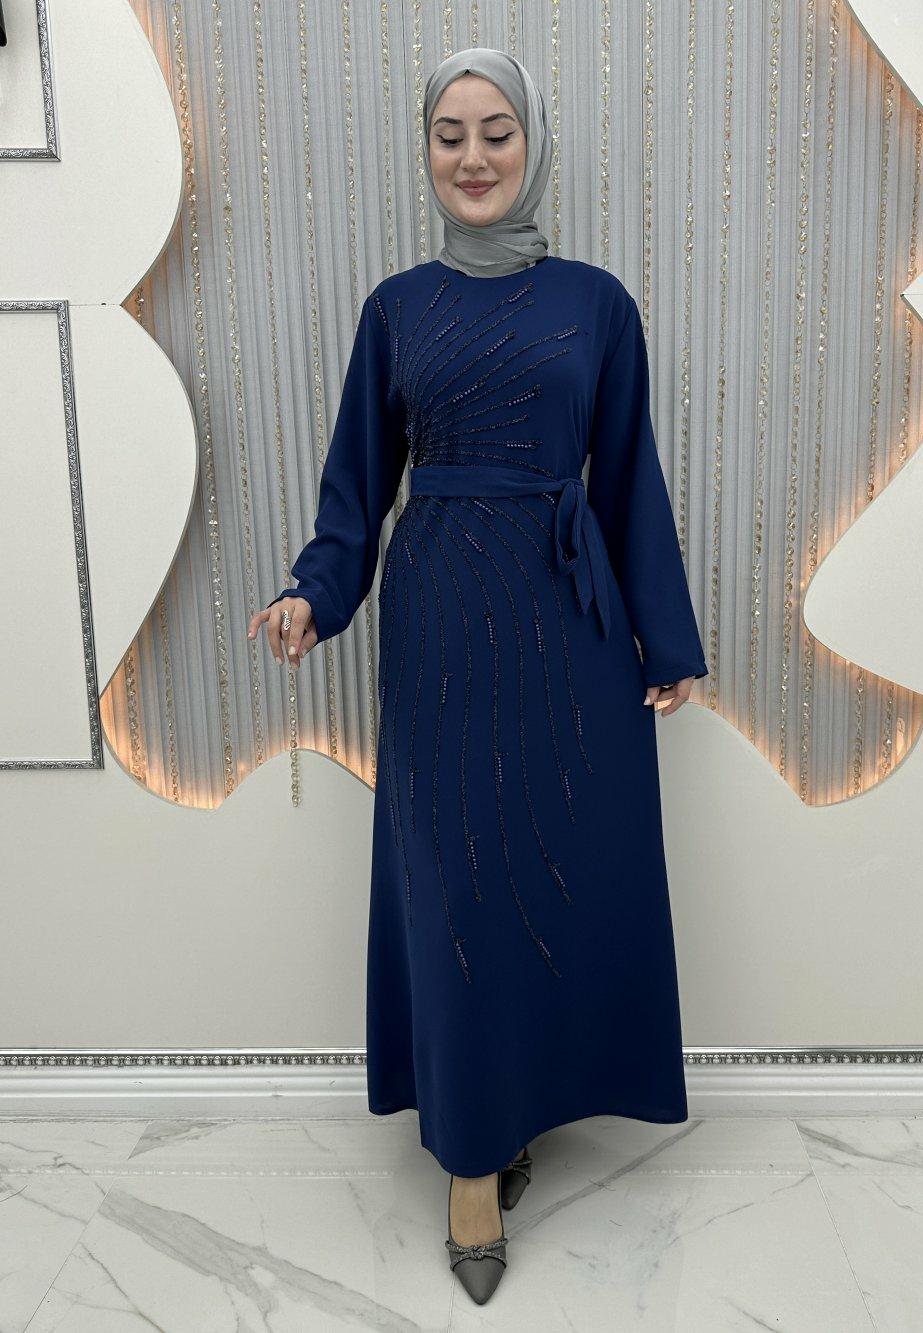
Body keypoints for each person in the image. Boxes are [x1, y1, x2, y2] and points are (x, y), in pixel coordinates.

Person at [248, 47, 708, 1307]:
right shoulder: (396, 308)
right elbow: (356, 487)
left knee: (559, 864)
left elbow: (626, 477)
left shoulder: (598, 304)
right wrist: (313, 592)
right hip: (443, 616)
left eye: (496, 131)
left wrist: (664, 640)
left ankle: (527, 1103)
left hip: (569, 617)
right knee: (452, 880)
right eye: (449, 134)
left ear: (532, 143)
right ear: (426, 151)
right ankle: (468, 1157)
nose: (472, 156)